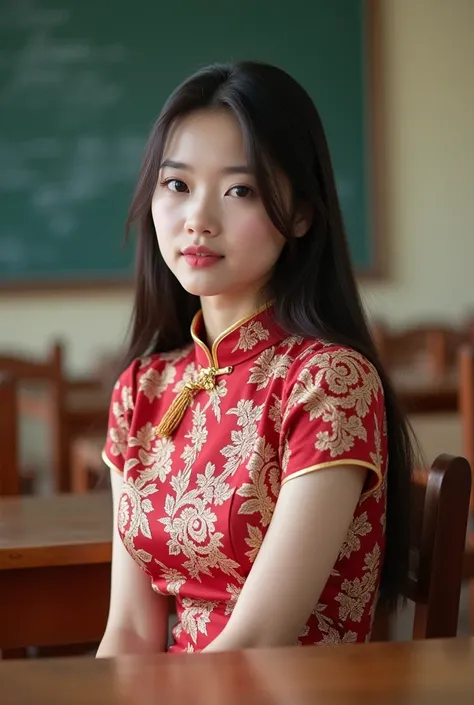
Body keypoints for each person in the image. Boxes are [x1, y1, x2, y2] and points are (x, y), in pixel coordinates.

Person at [96, 61, 414, 656]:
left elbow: (260, 639)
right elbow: (131, 630)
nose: (198, 220)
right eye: (177, 185)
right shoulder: (143, 389)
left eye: (239, 190)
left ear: (299, 214)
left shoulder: (330, 382)